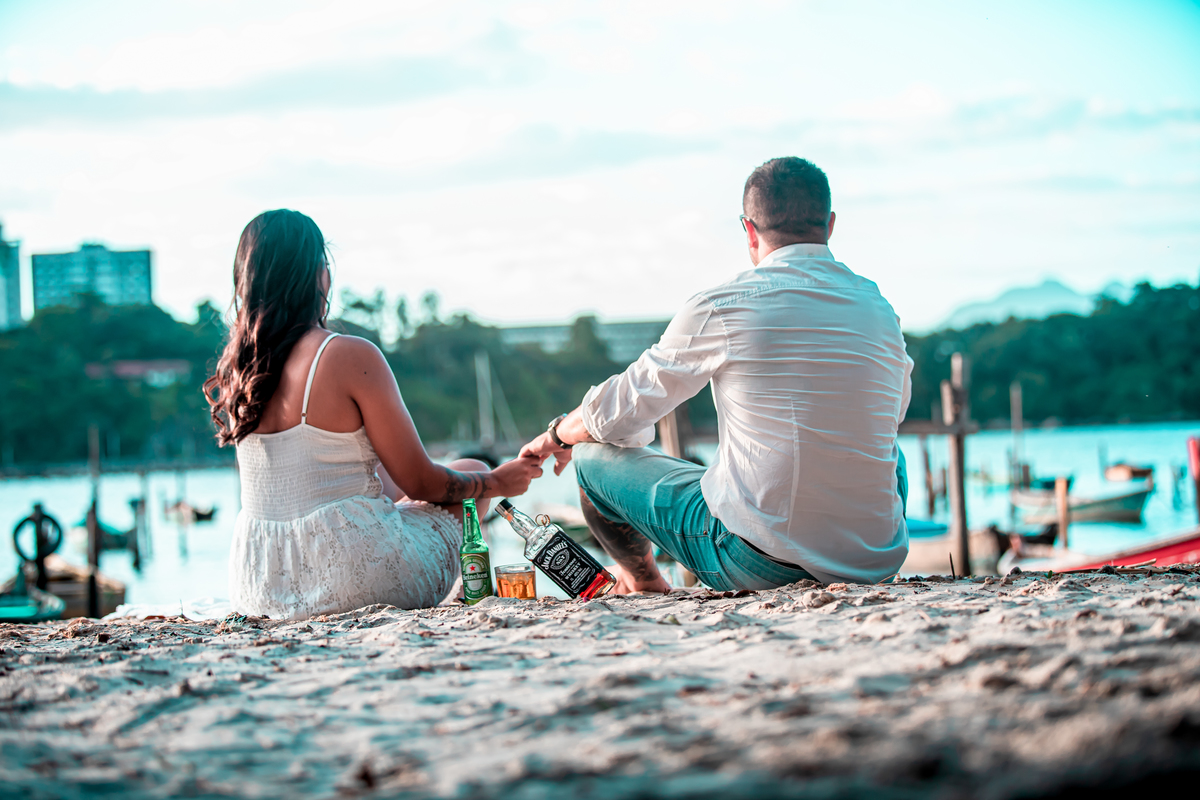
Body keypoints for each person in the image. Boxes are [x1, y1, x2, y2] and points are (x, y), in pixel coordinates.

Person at [520, 157, 912, 593]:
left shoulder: (725, 305)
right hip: (874, 561)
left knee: (590, 457)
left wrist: (557, 435)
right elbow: (892, 415)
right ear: (831, 225)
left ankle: (645, 582)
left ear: (749, 230)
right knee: (884, 445)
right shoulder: (880, 309)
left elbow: (619, 410)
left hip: (758, 565)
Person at [206, 210, 542, 619]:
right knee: (472, 468)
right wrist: (497, 481)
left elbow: (340, 483)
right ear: (318, 275)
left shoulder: (241, 371)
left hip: (259, 587)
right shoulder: (347, 354)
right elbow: (420, 481)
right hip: (354, 580)